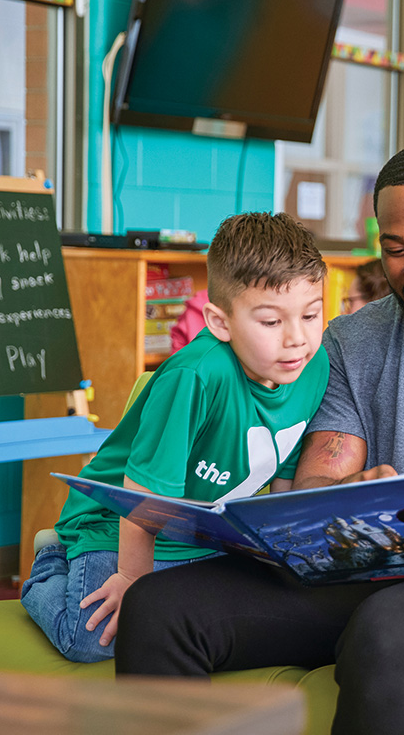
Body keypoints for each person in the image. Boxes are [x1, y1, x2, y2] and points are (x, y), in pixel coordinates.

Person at [113, 143, 404, 735]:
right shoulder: (352, 340)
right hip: (367, 571)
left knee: (386, 629)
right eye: (396, 250)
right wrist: (350, 493)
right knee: (159, 609)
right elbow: (318, 477)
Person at [21, 212, 330, 662]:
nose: (297, 339)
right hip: (115, 526)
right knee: (92, 640)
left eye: (311, 314)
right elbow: (140, 494)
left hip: (198, 538)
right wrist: (132, 580)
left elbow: (282, 470)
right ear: (220, 322)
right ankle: (52, 563)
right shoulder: (196, 375)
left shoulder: (311, 367)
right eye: (270, 322)